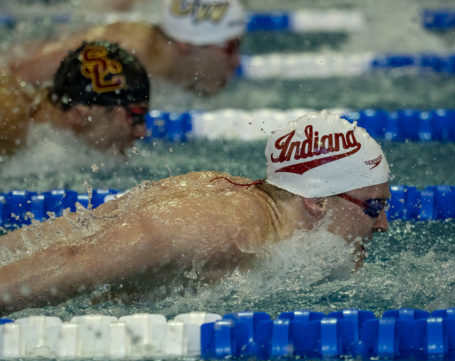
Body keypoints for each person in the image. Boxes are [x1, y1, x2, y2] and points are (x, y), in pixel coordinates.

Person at [0, 110, 391, 314]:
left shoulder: (238, 199)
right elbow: (71, 258)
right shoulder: (220, 229)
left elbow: (74, 229)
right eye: (374, 207)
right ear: (316, 201)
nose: (384, 225)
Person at [7, 0, 246, 96]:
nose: (237, 61)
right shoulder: (122, 50)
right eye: (231, 47)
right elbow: (15, 75)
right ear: (187, 43)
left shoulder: (163, 70)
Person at [0, 40, 150, 156]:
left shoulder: (51, 140)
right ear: (79, 113)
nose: (141, 132)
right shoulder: (9, 120)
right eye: (135, 116)